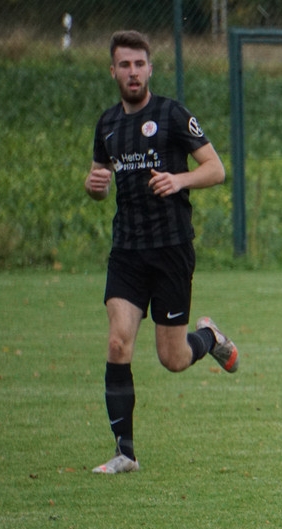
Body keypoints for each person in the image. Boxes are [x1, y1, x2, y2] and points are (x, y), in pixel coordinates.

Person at [84, 30, 238, 475]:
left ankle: (209, 338)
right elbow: (99, 182)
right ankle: (125, 453)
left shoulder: (171, 114)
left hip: (171, 249)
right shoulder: (108, 124)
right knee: (118, 342)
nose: (133, 72)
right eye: (125, 65)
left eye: (139, 64)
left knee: (172, 359)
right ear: (113, 71)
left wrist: (179, 179)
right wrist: (94, 187)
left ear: (150, 68)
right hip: (127, 251)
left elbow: (216, 169)